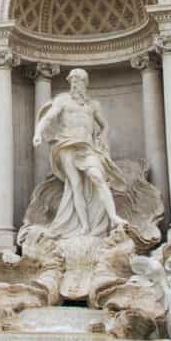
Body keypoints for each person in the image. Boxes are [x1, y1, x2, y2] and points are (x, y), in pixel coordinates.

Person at [32, 68, 129, 237]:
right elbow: (48, 118)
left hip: (87, 146)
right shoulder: (63, 100)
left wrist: (102, 139)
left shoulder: (93, 105)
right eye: (73, 80)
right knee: (75, 185)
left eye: (80, 80)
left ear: (86, 83)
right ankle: (84, 227)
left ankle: (113, 217)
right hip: (66, 144)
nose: (76, 84)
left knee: (98, 177)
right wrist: (38, 133)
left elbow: (104, 125)